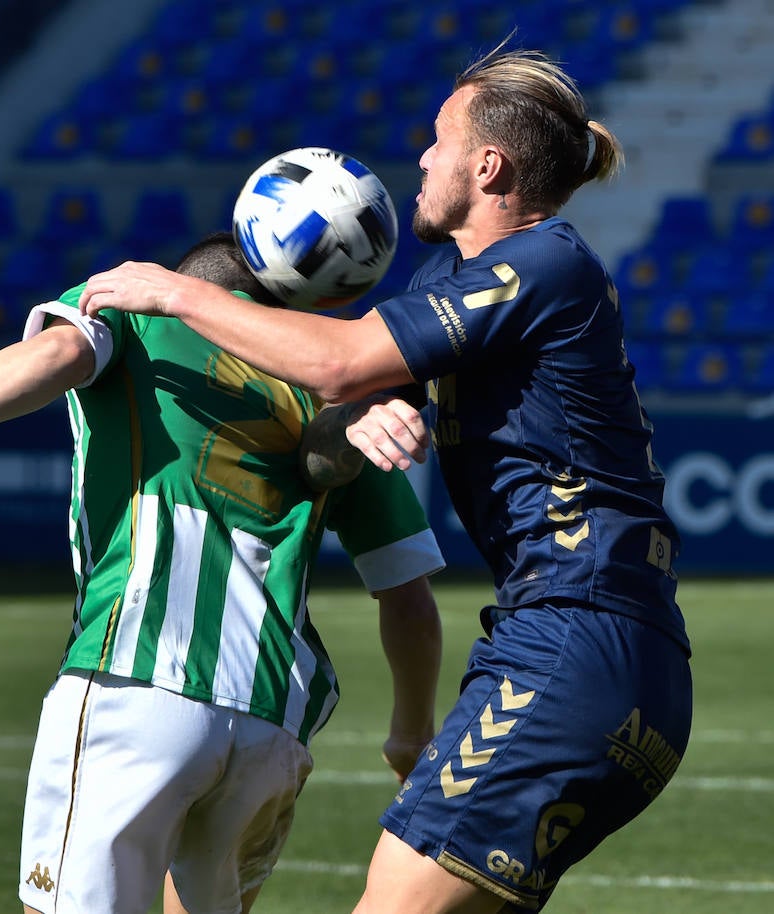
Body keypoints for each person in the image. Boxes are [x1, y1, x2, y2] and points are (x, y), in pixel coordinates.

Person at [79, 42, 693, 914]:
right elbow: (329, 439)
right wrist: (361, 418)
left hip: (575, 643)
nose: (422, 157)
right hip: (602, 659)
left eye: (439, 140)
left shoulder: (546, 262)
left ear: (489, 165)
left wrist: (177, 294)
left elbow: (339, 363)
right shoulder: (455, 278)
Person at [0, 232, 445, 914]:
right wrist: (411, 732)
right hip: (275, 720)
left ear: (189, 287)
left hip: (140, 677)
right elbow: (406, 593)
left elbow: (53, 352)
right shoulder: (337, 401)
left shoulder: (141, 314)